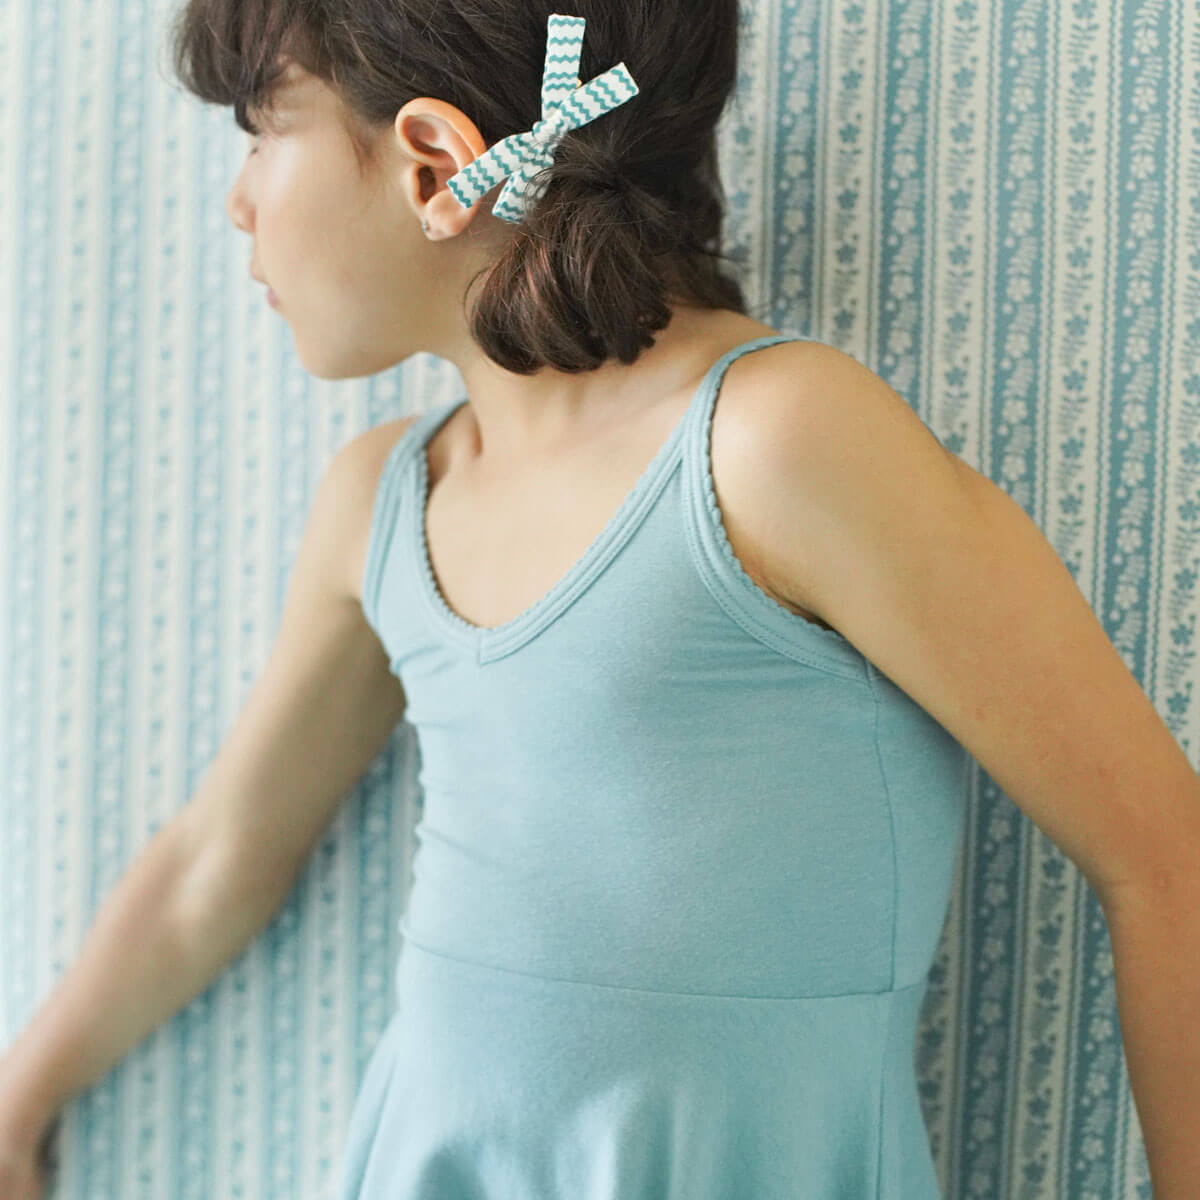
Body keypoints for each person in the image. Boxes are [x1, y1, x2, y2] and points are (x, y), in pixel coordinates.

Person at [12, 2, 1187, 1198]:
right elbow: (216, 860)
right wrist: (21, 1103)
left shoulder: (772, 443)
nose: (237, 201)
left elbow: (1162, 858)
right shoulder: (382, 504)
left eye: (264, 131)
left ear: (435, 164)